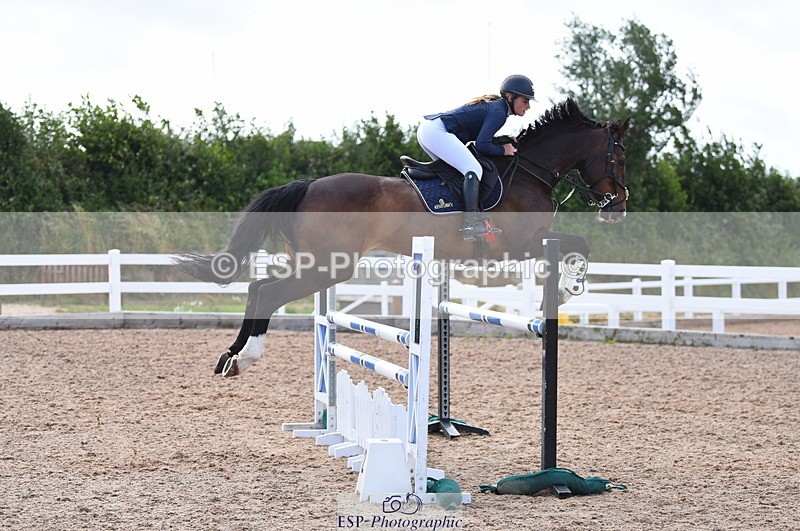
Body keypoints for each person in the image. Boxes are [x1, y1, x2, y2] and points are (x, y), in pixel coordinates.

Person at [417, 74, 535, 241]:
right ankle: (471, 224)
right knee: (473, 169)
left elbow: (482, 139)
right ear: (511, 97)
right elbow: (481, 145)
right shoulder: (499, 112)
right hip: (436, 131)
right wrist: (503, 150)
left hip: (430, 130)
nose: (528, 106)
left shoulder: (498, 109)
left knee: (457, 172)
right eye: (525, 100)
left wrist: (504, 140)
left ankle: (449, 213)